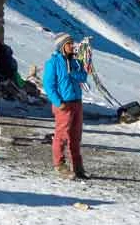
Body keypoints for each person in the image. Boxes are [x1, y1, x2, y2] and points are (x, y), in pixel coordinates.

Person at [43, 32, 90, 180]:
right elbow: (49, 85)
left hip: (76, 102)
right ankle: (59, 164)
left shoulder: (75, 62)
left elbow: (83, 76)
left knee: (76, 136)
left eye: (72, 43)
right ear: (62, 46)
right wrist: (58, 102)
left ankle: (77, 166)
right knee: (62, 135)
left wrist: (73, 73)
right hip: (64, 104)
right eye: (69, 44)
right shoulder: (53, 63)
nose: (73, 46)